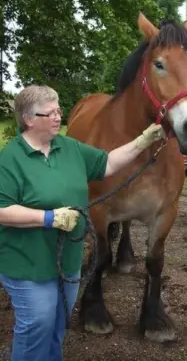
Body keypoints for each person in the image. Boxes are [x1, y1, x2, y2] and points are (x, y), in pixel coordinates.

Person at [0, 84, 165, 361]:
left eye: (59, 110)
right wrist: (48, 218)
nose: (57, 117)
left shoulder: (68, 147)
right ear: (29, 120)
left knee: (57, 326)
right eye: (50, 113)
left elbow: (108, 163)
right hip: (28, 264)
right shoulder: (11, 159)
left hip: (67, 263)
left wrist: (143, 141)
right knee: (36, 325)